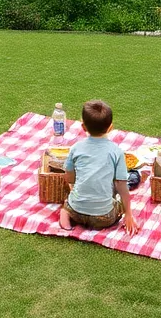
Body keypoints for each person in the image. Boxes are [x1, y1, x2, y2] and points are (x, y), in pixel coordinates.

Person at [58, 100, 140, 236]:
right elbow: (121, 186)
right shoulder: (116, 152)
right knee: (127, 185)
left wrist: (75, 185)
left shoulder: (76, 148)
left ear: (83, 127)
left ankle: (65, 215)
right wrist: (128, 214)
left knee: (69, 202)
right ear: (110, 127)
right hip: (104, 217)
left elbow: (69, 176)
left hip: (76, 212)